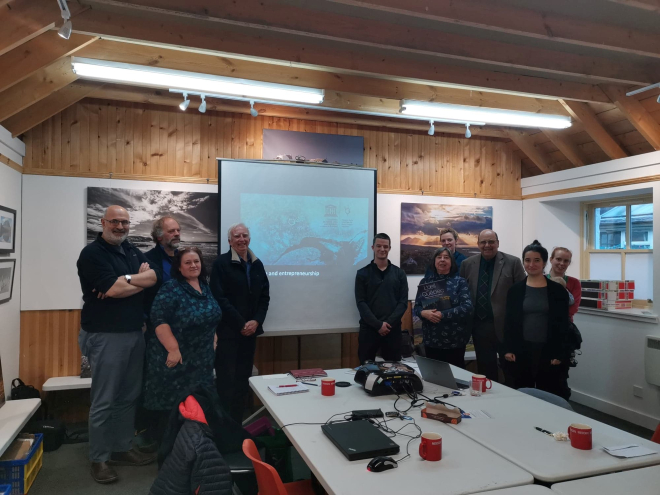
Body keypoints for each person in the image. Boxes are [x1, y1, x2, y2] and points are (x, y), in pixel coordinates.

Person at [76, 205, 160, 484]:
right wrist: (129, 283)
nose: (120, 227)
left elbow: (152, 277)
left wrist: (124, 281)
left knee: (128, 397)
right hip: (105, 336)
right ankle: (99, 458)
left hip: (135, 333)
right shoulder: (91, 254)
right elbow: (113, 290)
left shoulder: (131, 250)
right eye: (115, 222)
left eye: (125, 222)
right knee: (105, 400)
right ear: (103, 222)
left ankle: (122, 448)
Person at [143, 247, 222, 443]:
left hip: (201, 359)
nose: (193, 265)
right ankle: (172, 450)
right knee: (175, 407)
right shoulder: (171, 288)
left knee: (199, 403)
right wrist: (173, 349)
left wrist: (213, 338)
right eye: (188, 262)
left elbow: (211, 315)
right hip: (177, 359)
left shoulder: (204, 285)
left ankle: (197, 445)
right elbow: (158, 320)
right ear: (179, 267)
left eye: (196, 261)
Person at [211, 223, 270, 424]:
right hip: (228, 334)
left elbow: (264, 297)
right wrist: (241, 324)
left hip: (250, 333)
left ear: (249, 239)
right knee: (226, 383)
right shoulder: (221, 264)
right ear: (230, 241)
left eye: (245, 235)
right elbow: (219, 298)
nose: (242, 239)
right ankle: (224, 429)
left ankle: (237, 426)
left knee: (243, 382)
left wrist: (256, 321)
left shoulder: (257, 264)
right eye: (237, 236)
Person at [502, 241, 571, 400]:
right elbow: (509, 322)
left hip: (548, 351)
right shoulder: (515, 290)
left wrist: (559, 352)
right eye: (527, 260)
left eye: (536, 260)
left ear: (545, 263)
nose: (531, 264)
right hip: (521, 350)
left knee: (548, 393)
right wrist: (508, 348)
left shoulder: (558, 291)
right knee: (521, 393)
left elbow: (562, 325)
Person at [136, 216, 182, 450]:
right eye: (171, 231)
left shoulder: (184, 259)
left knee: (180, 384)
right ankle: (156, 437)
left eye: (178, 230)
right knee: (158, 384)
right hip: (157, 333)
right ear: (159, 236)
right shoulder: (147, 260)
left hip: (183, 332)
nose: (176, 234)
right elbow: (141, 294)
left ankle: (179, 435)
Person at [459, 229, 525, 382]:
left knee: (511, 370)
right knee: (485, 370)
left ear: (498, 243)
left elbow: (522, 294)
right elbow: (462, 293)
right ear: (478, 244)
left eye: (491, 242)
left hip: (506, 326)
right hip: (480, 326)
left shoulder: (513, 262)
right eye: (483, 242)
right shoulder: (467, 264)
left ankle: (512, 401)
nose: (487, 245)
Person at [414, 247, 473, 368]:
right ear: (434, 261)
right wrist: (424, 313)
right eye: (439, 257)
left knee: (456, 380)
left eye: (446, 257)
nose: (442, 260)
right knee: (433, 380)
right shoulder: (425, 282)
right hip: (431, 341)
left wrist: (442, 314)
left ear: (451, 262)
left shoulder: (460, 282)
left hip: (455, 341)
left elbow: (467, 307)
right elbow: (417, 307)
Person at [355, 233, 409, 363]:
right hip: (369, 330)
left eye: (385, 246)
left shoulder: (399, 273)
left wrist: (387, 324)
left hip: (393, 330)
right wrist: (378, 325)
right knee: (366, 371)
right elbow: (361, 303)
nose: (382, 249)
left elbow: (403, 303)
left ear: (389, 248)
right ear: (373, 247)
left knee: (394, 371)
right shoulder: (362, 273)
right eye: (379, 246)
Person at [548, 247, 581, 321]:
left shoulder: (575, 283)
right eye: (558, 259)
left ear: (569, 263)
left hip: (565, 323)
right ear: (551, 259)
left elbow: (574, 307)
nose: (562, 263)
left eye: (566, 261)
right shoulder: (541, 280)